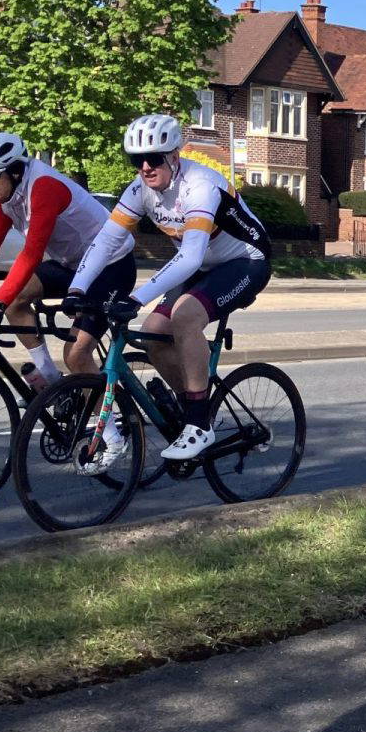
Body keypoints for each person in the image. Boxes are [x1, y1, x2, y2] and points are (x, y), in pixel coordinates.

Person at [67, 114, 273, 468]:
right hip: (202, 265)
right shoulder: (139, 190)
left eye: (154, 158)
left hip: (245, 261)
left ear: (174, 156)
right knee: (153, 333)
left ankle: (198, 424)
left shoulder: (201, 185)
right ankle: (192, 407)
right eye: (137, 160)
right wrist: (77, 288)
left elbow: (190, 256)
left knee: (185, 316)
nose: (145, 167)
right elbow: (106, 241)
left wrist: (136, 299)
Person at [0, 132, 137, 388]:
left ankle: (103, 415)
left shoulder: (44, 186)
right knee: (14, 302)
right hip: (72, 265)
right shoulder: (7, 195)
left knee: (76, 355)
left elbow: (32, 253)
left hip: (111, 267)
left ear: (15, 171)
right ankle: (51, 381)